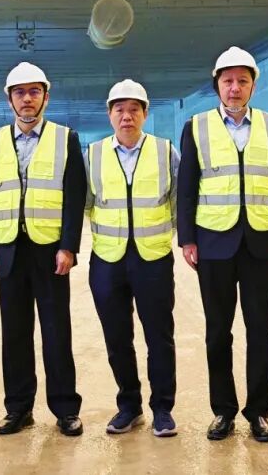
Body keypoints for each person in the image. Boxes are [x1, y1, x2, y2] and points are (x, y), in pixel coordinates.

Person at [176, 46, 268, 443]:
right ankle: (223, 411)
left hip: (261, 240)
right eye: (228, 81)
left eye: (242, 81)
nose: (235, 88)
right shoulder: (196, 127)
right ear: (217, 86)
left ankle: (258, 412)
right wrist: (187, 238)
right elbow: (187, 187)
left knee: (260, 330)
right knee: (218, 331)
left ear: (253, 86)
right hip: (213, 242)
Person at [0, 62, 87, 436]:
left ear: (46, 97)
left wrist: (68, 246)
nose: (27, 99)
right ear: (9, 99)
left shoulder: (64, 138)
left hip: (49, 251)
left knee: (57, 332)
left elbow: (74, 197)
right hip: (8, 250)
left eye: (34, 92)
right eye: (20, 93)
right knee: (15, 334)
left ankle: (66, 409)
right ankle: (18, 409)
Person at [87, 79, 179, 438]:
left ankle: (162, 409)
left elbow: (178, 200)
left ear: (145, 114)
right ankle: (129, 406)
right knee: (117, 336)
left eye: (134, 110)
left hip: (152, 257)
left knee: (159, 336)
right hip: (107, 259)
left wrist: (166, 235)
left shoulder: (165, 151)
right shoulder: (93, 155)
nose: (127, 116)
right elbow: (86, 203)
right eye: (120, 110)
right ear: (109, 115)